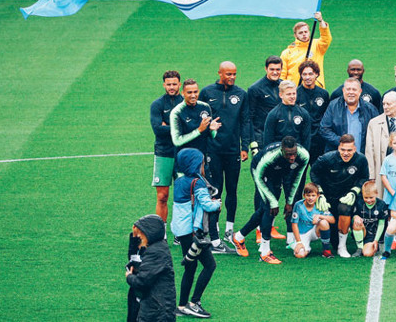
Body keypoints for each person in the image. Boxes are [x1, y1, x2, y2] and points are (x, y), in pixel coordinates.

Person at [230, 137, 309, 264]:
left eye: (294, 153)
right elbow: (258, 176)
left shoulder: (304, 155)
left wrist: (290, 202)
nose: (293, 157)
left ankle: (238, 237)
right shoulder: (270, 156)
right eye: (289, 154)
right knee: (269, 208)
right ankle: (265, 252)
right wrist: (273, 202)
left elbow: (296, 179)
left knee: (264, 209)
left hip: (278, 173)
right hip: (260, 171)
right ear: (282, 150)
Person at [199, 62, 249, 250]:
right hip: (213, 150)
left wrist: (244, 146)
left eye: (234, 74)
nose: (232, 77)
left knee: (232, 190)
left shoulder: (241, 94)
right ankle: (215, 230)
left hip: (232, 150)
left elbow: (245, 121)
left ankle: (230, 229)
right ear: (219, 73)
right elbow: (201, 120)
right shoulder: (207, 92)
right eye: (228, 73)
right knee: (216, 191)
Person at [170, 149, 220, 317]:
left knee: (190, 268)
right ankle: (194, 302)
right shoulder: (197, 182)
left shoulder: (179, 181)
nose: (203, 166)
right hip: (193, 233)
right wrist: (217, 204)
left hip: (182, 232)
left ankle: (182, 306)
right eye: (201, 163)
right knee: (210, 265)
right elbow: (207, 205)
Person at [310, 135, 371, 257]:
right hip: (329, 196)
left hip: (347, 196)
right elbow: (314, 172)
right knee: (333, 238)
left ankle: (342, 247)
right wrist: (320, 193)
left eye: (349, 150)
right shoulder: (327, 159)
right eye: (343, 150)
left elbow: (364, 177)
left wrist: (354, 191)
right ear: (339, 148)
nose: (346, 153)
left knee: (345, 209)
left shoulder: (361, 160)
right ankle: (332, 241)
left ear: (354, 149)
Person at [126, 214, 176, 322]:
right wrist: (134, 239)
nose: (139, 236)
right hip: (154, 308)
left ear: (149, 233)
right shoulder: (155, 248)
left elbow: (141, 282)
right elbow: (134, 260)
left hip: (157, 313)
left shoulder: (155, 252)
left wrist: (129, 277)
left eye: (141, 233)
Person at [149, 70, 182, 224]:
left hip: (183, 153)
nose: (171, 87)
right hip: (164, 153)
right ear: (163, 85)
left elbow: (192, 127)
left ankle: (181, 232)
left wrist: (167, 126)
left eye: (174, 84)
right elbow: (157, 130)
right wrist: (180, 127)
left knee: (184, 196)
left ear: (179, 84)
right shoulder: (157, 104)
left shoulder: (185, 102)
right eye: (168, 84)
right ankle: (161, 233)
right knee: (162, 196)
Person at [319, 77, 380, 153]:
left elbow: (377, 132)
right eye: (348, 89)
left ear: (360, 91)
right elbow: (324, 129)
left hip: (362, 157)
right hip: (338, 156)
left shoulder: (370, 109)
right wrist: (341, 142)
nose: (351, 92)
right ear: (343, 90)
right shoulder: (333, 106)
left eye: (354, 89)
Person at [171, 79, 221, 158]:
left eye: (195, 92)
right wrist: (199, 130)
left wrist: (212, 130)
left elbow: (212, 136)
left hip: (203, 157)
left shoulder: (205, 107)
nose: (193, 95)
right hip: (185, 159)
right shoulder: (177, 112)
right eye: (189, 92)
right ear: (183, 93)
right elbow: (177, 141)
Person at [280, 11, 331, 89]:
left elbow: (326, 38)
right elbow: (282, 75)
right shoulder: (287, 52)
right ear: (295, 35)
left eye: (306, 32)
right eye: (300, 33)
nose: (304, 34)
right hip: (295, 91)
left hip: (315, 88)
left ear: (309, 32)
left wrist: (321, 20)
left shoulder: (317, 45)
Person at [263, 81, 312, 155]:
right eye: (288, 94)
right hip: (279, 154)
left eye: (294, 93)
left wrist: (303, 155)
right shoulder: (273, 114)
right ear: (281, 95)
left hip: (297, 155)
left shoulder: (304, 113)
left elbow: (306, 139)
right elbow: (268, 140)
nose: (292, 97)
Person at [295, 60, 330, 163]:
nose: (307, 77)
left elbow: (326, 117)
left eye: (310, 74)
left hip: (319, 141)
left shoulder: (323, 94)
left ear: (317, 75)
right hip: (301, 141)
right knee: (300, 173)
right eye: (304, 74)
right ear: (301, 76)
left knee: (320, 174)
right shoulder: (296, 94)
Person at [290, 183, 335, 258]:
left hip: (314, 231)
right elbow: (294, 224)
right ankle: (301, 246)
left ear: (317, 196)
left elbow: (333, 220)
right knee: (300, 255)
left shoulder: (320, 204)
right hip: (302, 234)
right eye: (308, 195)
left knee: (324, 222)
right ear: (304, 195)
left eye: (313, 195)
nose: (311, 198)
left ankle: (326, 250)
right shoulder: (298, 205)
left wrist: (319, 216)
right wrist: (299, 242)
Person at [248, 56, 282, 147]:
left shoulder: (284, 87)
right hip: (262, 137)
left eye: (278, 69)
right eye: (272, 69)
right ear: (266, 69)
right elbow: (249, 117)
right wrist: (253, 142)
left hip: (280, 135)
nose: (275, 72)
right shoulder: (255, 89)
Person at [352, 180, 390, 258]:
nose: (368, 200)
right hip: (364, 231)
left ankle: (376, 245)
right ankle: (359, 248)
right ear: (362, 195)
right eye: (366, 197)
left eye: (371, 197)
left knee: (367, 254)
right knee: (356, 221)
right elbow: (354, 214)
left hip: (375, 235)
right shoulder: (359, 203)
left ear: (376, 194)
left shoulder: (382, 205)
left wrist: (376, 240)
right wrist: (355, 217)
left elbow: (381, 224)